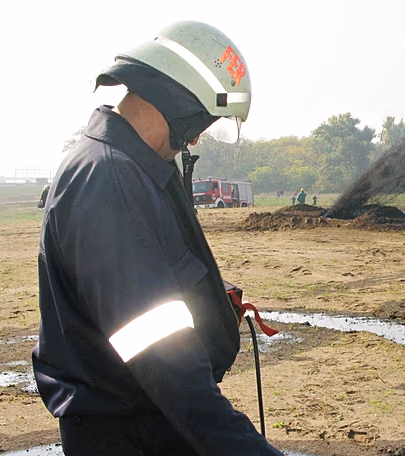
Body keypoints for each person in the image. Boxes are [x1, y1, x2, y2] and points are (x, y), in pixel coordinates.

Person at [32, 21, 283, 456]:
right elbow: (160, 354)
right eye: (200, 123)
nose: (197, 137)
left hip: (145, 416)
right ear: (178, 102)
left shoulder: (128, 168)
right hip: (130, 431)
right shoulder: (108, 179)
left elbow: (140, 286)